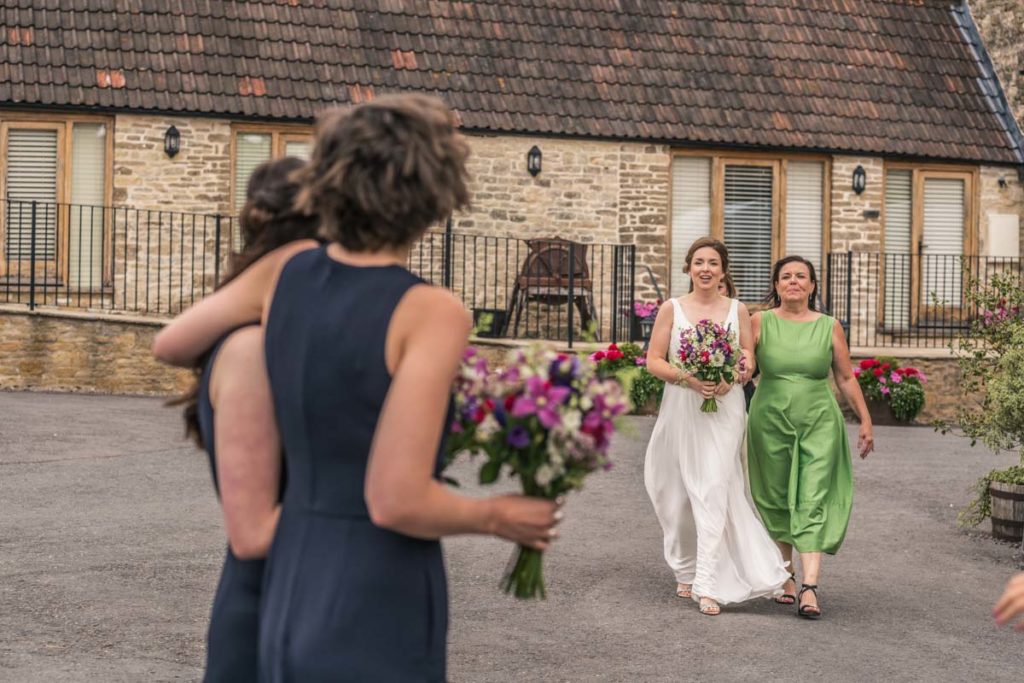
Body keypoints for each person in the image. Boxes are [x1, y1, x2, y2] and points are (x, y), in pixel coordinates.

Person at [154, 94, 561, 681]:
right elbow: (395, 498)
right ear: (436, 194)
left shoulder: (288, 267)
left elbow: (171, 344)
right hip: (373, 591)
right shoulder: (431, 312)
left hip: (288, 588)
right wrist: (500, 515)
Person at [169, 156, 320, 681]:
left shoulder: (284, 338)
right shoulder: (252, 350)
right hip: (268, 610)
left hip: (311, 602)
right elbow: (252, 534)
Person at [643, 237, 789, 616]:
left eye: (713, 263)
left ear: (723, 270)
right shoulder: (670, 309)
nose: (705, 269)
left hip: (724, 410)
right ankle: (686, 569)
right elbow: (654, 361)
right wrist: (688, 378)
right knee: (672, 494)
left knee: (713, 489)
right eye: (698, 262)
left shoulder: (737, 309)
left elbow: (747, 358)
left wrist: (734, 375)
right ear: (689, 268)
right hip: (681, 408)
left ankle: (707, 584)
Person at [746, 255, 874, 619]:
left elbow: (846, 377)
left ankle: (810, 586)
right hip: (769, 417)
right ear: (776, 285)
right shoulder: (760, 322)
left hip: (819, 418)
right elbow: (747, 367)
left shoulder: (829, 325)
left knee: (813, 496)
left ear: (813, 285)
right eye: (785, 276)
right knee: (775, 494)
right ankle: (785, 576)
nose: (793, 282)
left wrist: (865, 420)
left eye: (801, 276)